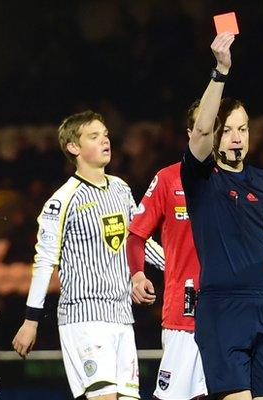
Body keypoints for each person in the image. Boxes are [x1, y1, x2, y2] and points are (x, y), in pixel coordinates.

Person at [180, 32, 263, 400]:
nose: (236, 137)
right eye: (228, 130)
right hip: (222, 307)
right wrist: (220, 71)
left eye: (243, 128)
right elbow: (201, 127)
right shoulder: (202, 178)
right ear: (215, 136)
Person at [12, 110, 164, 400]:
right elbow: (45, 261)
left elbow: (138, 241)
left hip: (122, 316)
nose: (105, 140)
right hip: (84, 317)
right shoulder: (61, 200)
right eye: (94, 137)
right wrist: (31, 320)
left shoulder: (120, 188)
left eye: (105, 134)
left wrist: (181, 267)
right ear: (74, 147)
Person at [126, 100, 207, 400]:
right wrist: (137, 276)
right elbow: (136, 235)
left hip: (229, 311)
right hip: (184, 314)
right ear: (190, 133)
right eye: (202, 126)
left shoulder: (235, 181)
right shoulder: (168, 178)